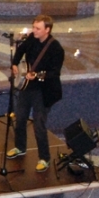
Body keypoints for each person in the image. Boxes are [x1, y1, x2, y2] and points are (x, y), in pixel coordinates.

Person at [6, 15, 64, 172]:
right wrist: (14, 63)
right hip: (27, 87)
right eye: (33, 27)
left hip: (44, 91)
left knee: (39, 124)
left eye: (37, 28)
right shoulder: (32, 38)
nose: (34, 30)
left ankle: (44, 158)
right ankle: (20, 147)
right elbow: (21, 49)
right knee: (20, 117)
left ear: (47, 29)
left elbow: (54, 73)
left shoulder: (56, 48)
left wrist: (37, 75)